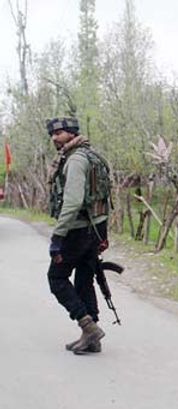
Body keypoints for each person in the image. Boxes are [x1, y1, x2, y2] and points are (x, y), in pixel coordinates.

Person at [46, 116, 112, 355]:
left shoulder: (75, 160)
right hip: (95, 228)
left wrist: (57, 236)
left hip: (77, 230)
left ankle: (88, 326)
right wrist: (103, 232)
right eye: (52, 134)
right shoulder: (92, 156)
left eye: (60, 133)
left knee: (56, 278)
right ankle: (91, 335)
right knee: (85, 279)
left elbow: (72, 202)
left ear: (72, 133)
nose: (55, 137)